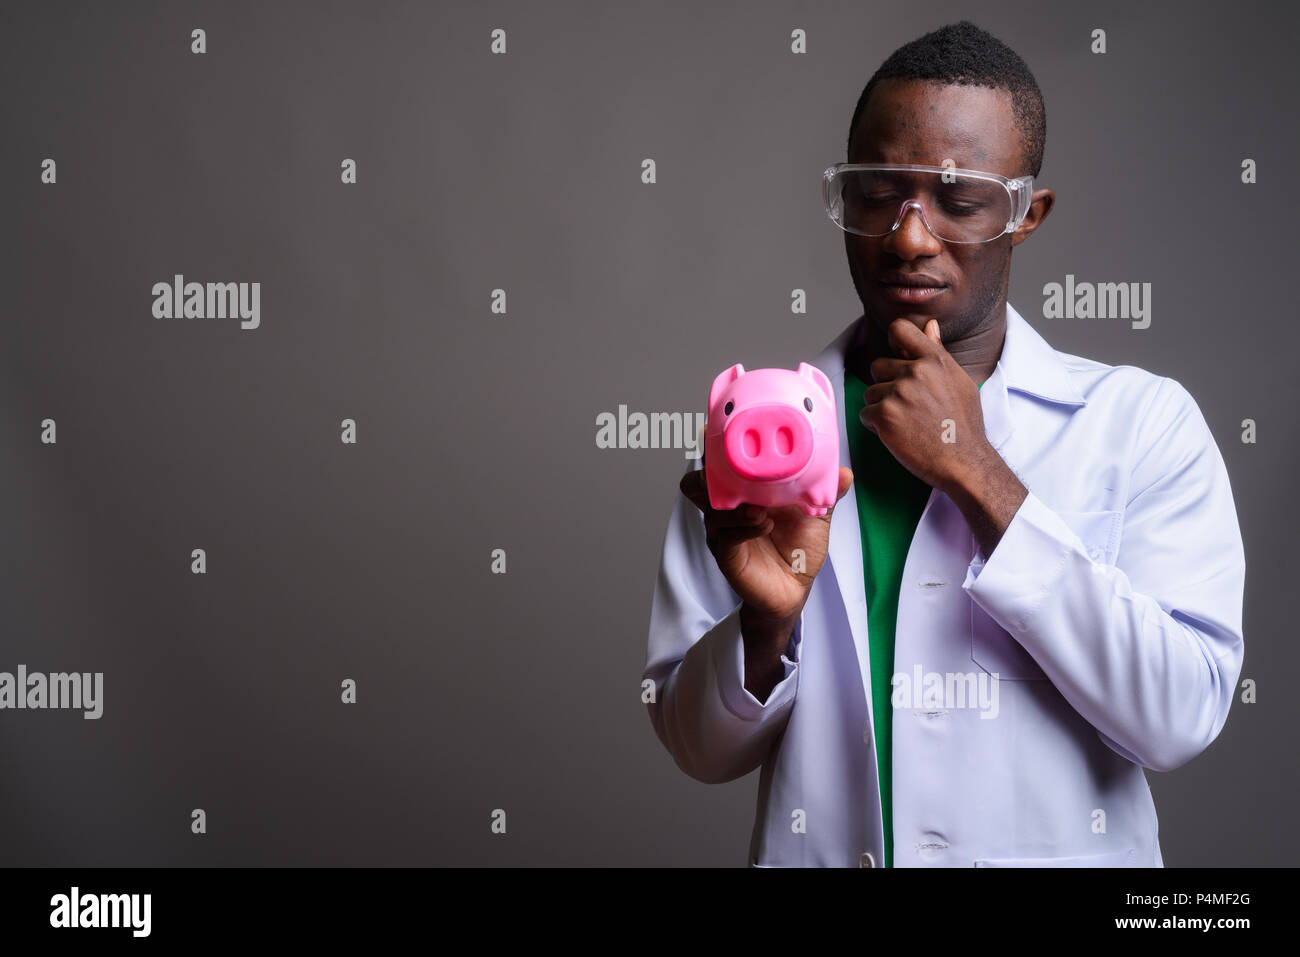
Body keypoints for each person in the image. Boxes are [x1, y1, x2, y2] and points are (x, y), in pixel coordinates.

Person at [642, 20, 1245, 868]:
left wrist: (977, 472)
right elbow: (697, 746)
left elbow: (1180, 714)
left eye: (960, 201)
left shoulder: (1142, 423)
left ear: (1025, 215)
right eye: (877, 195)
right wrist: (767, 622)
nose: (911, 236)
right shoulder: (758, 431)